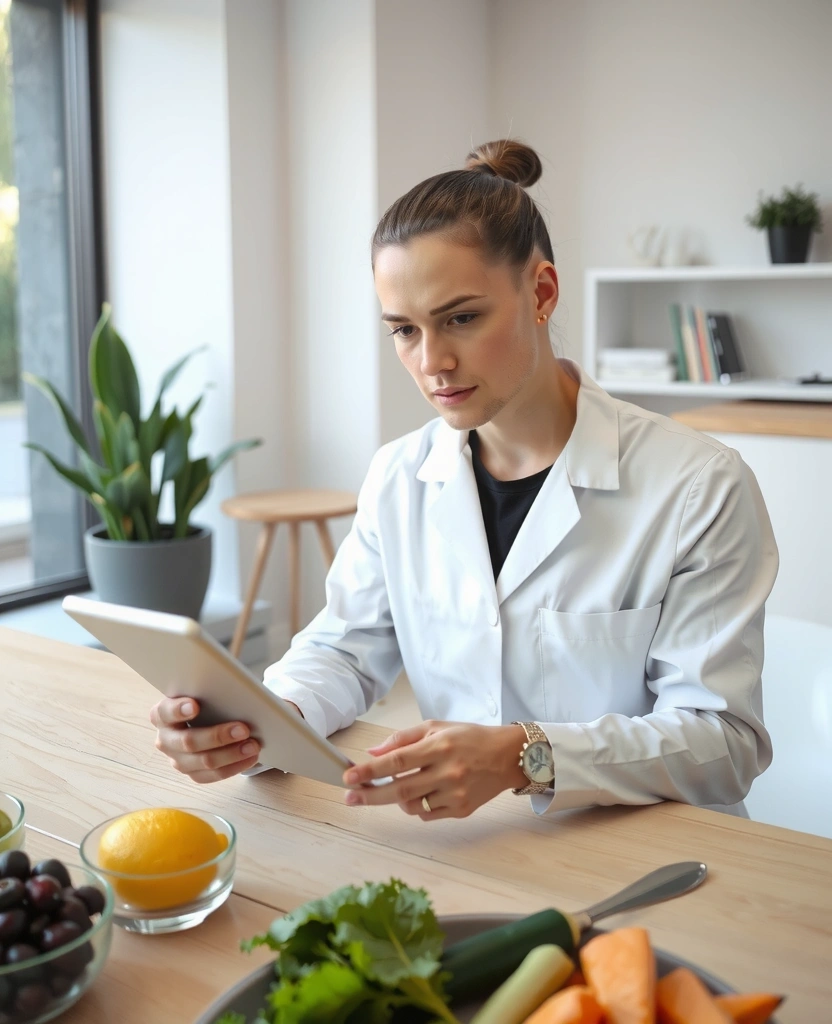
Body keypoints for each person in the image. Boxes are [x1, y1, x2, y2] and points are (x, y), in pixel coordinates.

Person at [150, 139, 778, 821]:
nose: (433, 362)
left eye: (461, 318)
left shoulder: (698, 487)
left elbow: (726, 742)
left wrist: (524, 756)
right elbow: (345, 650)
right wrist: (260, 721)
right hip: (473, 848)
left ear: (541, 292)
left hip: (651, 859)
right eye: (404, 331)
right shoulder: (399, 477)